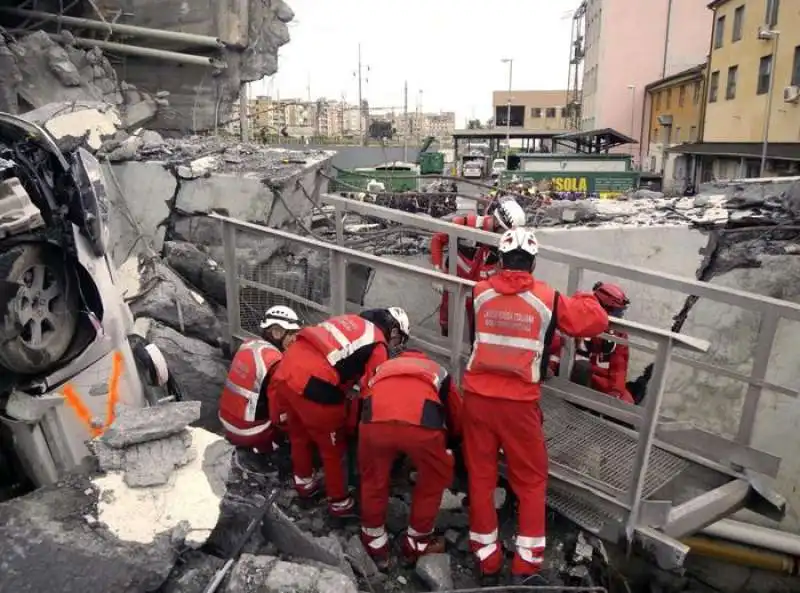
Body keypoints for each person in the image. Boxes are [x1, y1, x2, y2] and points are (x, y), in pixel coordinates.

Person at [461, 227, 609, 586]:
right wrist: (586, 297)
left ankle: (486, 556)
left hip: (477, 398)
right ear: (532, 262)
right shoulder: (547, 298)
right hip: (519, 404)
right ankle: (527, 563)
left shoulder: (478, 293)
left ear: (500, 258)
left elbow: (474, 336)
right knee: (530, 480)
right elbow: (594, 321)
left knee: (480, 476)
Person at [271, 307, 410, 518]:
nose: (394, 345)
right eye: (397, 340)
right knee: (333, 450)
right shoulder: (377, 344)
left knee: (299, 436)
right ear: (393, 331)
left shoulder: (349, 320)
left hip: (286, 371)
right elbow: (371, 390)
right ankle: (340, 503)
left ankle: (304, 484)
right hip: (314, 387)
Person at [358, 349, 463, 567]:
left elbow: (363, 397)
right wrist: (452, 443)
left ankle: (374, 543)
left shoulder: (381, 368)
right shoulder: (438, 371)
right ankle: (417, 543)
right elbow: (455, 412)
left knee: (372, 480)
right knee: (432, 481)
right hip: (422, 427)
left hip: (375, 421)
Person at [429, 198, 526, 337]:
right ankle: (445, 332)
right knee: (447, 310)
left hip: (480, 287)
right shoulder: (468, 223)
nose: (505, 237)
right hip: (455, 277)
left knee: (476, 322)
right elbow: (438, 239)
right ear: (498, 222)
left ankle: (473, 346)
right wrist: (437, 271)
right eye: (503, 232)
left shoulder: (506, 242)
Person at [218, 305, 301, 452]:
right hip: (248, 431)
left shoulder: (247, 345)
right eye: (292, 333)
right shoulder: (275, 362)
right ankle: (271, 451)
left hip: (225, 419)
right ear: (277, 332)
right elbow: (278, 414)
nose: (295, 339)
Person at [575, 282, 634, 404]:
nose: (619, 316)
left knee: (628, 404)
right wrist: (551, 367)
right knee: (582, 369)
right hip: (576, 373)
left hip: (601, 379)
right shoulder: (579, 318)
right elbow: (559, 346)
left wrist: (616, 391)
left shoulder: (619, 334)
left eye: (620, 312)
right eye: (616, 312)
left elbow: (619, 366)